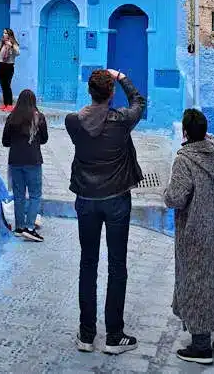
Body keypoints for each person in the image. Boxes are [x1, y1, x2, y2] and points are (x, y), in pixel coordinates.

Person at [65, 68, 146, 356]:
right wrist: (122, 77)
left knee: (87, 263)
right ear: (111, 94)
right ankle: (114, 335)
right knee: (117, 265)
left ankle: (87, 334)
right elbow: (139, 101)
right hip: (116, 201)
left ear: (90, 92)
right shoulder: (122, 121)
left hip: (86, 199)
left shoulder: (73, 122)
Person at [164, 109, 214, 365]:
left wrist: (165, 193)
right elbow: (213, 137)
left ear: (185, 132)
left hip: (193, 232)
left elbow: (176, 198)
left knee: (195, 286)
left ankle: (201, 345)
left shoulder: (184, 160)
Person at [1, 89, 48, 242]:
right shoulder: (39, 117)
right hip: (33, 161)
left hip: (15, 161)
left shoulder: (12, 117)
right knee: (35, 195)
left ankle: (19, 228)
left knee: (19, 195)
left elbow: (5, 141)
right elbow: (44, 139)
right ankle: (30, 228)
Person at [0, 28, 21, 110]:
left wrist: (11, 46)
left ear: (9, 35)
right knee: (3, 86)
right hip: (1, 65)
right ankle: (5, 104)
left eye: (5, 33)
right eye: (3, 33)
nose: (4, 34)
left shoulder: (13, 43)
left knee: (7, 85)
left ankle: (10, 105)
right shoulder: (1, 43)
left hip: (9, 66)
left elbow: (17, 53)